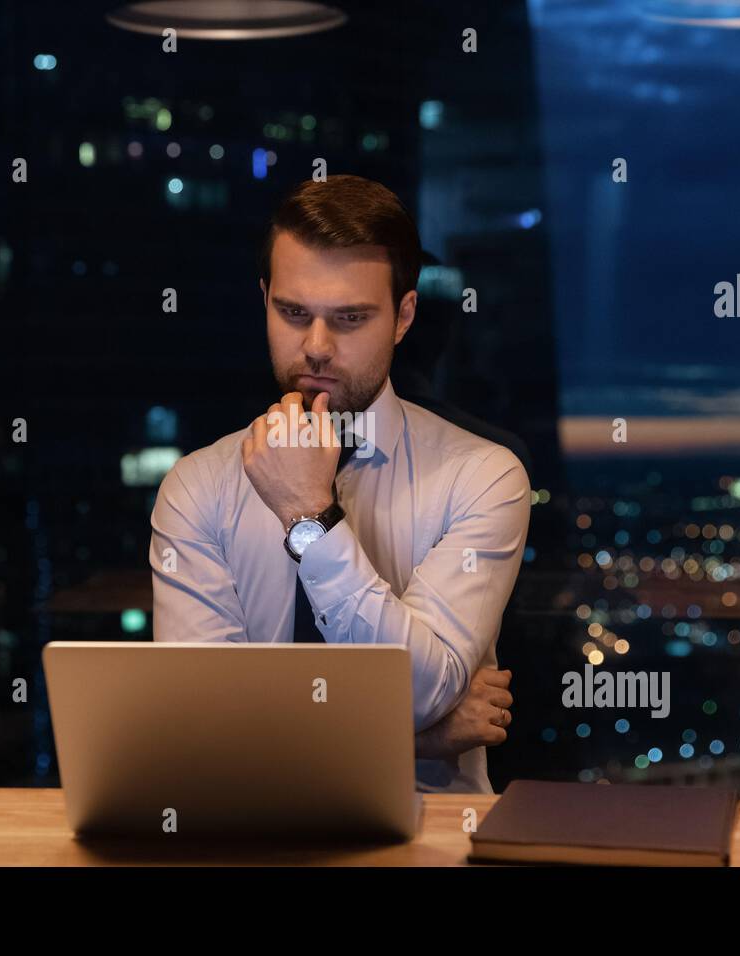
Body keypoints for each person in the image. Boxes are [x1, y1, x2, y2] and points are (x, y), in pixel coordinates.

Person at [149, 174, 530, 792]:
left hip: (427, 843)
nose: (317, 347)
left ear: (404, 316)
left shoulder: (482, 477)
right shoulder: (196, 488)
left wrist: (308, 514)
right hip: (251, 839)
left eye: (350, 317)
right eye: (293, 313)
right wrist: (419, 737)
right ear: (264, 299)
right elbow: (202, 728)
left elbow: (418, 688)